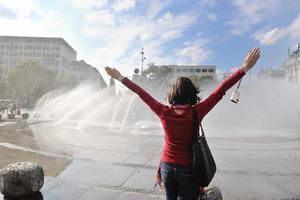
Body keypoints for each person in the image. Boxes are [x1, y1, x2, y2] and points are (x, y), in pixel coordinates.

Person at [105, 48, 260, 200]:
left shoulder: (163, 111)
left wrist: (120, 77)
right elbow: (220, 90)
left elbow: (141, 93)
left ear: (172, 94)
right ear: (192, 94)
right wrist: (244, 69)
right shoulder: (197, 112)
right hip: (188, 169)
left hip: (167, 167)